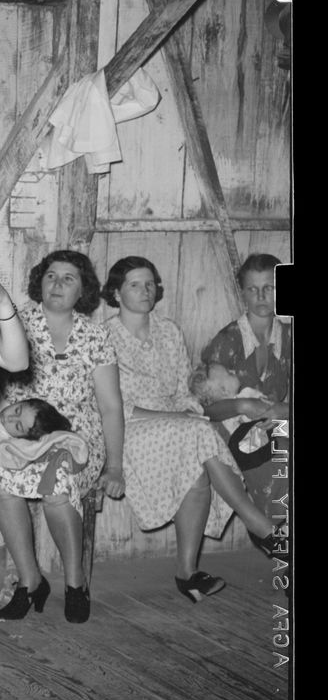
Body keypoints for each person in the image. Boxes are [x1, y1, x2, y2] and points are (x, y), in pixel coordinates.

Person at [101, 256, 285, 603]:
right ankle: (262, 528)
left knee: (198, 467)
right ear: (115, 291)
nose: (145, 290)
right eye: (134, 284)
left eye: (150, 283)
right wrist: (177, 418)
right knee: (199, 434)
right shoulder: (104, 337)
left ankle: (188, 574)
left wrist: (190, 409)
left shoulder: (169, 330)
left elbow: (186, 389)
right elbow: (112, 407)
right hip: (129, 428)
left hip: (178, 430)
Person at [0, 250, 125, 625]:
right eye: (51, 276)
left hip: (75, 436)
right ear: (39, 282)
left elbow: (109, 407)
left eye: (69, 278)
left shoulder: (95, 336)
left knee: (57, 483)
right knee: (2, 479)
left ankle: (75, 582)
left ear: (83, 291)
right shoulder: (15, 324)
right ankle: (30, 581)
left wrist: (115, 465)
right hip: (22, 435)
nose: (57, 284)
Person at [200, 252, 291, 550]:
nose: (262, 296)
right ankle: (272, 529)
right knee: (282, 446)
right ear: (243, 293)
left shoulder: (288, 337)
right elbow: (206, 408)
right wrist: (242, 405)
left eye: (270, 287)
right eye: (253, 289)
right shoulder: (228, 340)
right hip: (232, 428)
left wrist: (283, 409)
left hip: (272, 423)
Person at [0, 398, 85, 477]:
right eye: (17, 410)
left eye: (17, 426)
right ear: (21, 401)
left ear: (21, 438)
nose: (10, 418)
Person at [188, 362, 273, 468]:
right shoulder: (245, 395)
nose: (233, 371)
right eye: (229, 373)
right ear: (224, 390)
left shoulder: (224, 415)